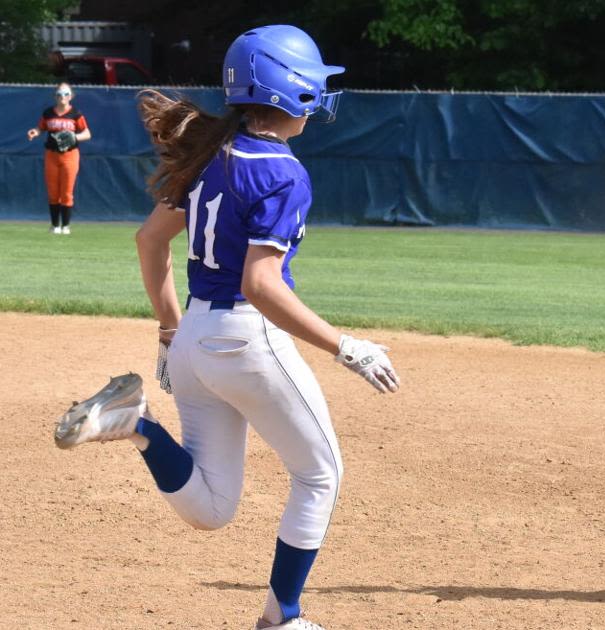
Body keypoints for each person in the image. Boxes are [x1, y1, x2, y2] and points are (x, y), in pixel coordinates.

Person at [53, 25, 398, 630]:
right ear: (290, 92)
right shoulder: (283, 172)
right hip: (245, 340)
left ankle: (135, 425)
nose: (319, 94)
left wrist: (168, 332)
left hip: (193, 344)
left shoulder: (208, 153)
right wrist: (348, 347)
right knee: (321, 475)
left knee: (211, 509)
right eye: (312, 83)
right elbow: (260, 286)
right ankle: (282, 618)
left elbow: (149, 241)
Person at [26, 82, 91, 234]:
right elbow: (40, 128)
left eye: (66, 94)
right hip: (51, 154)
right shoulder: (48, 113)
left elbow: (87, 134)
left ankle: (66, 226)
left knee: (67, 192)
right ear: (55, 96)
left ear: (71, 96)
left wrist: (74, 136)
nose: (63, 97)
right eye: (60, 94)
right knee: (53, 192)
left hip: (70, 155)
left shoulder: (76, 113)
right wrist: (35, 132)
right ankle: (55, 225)